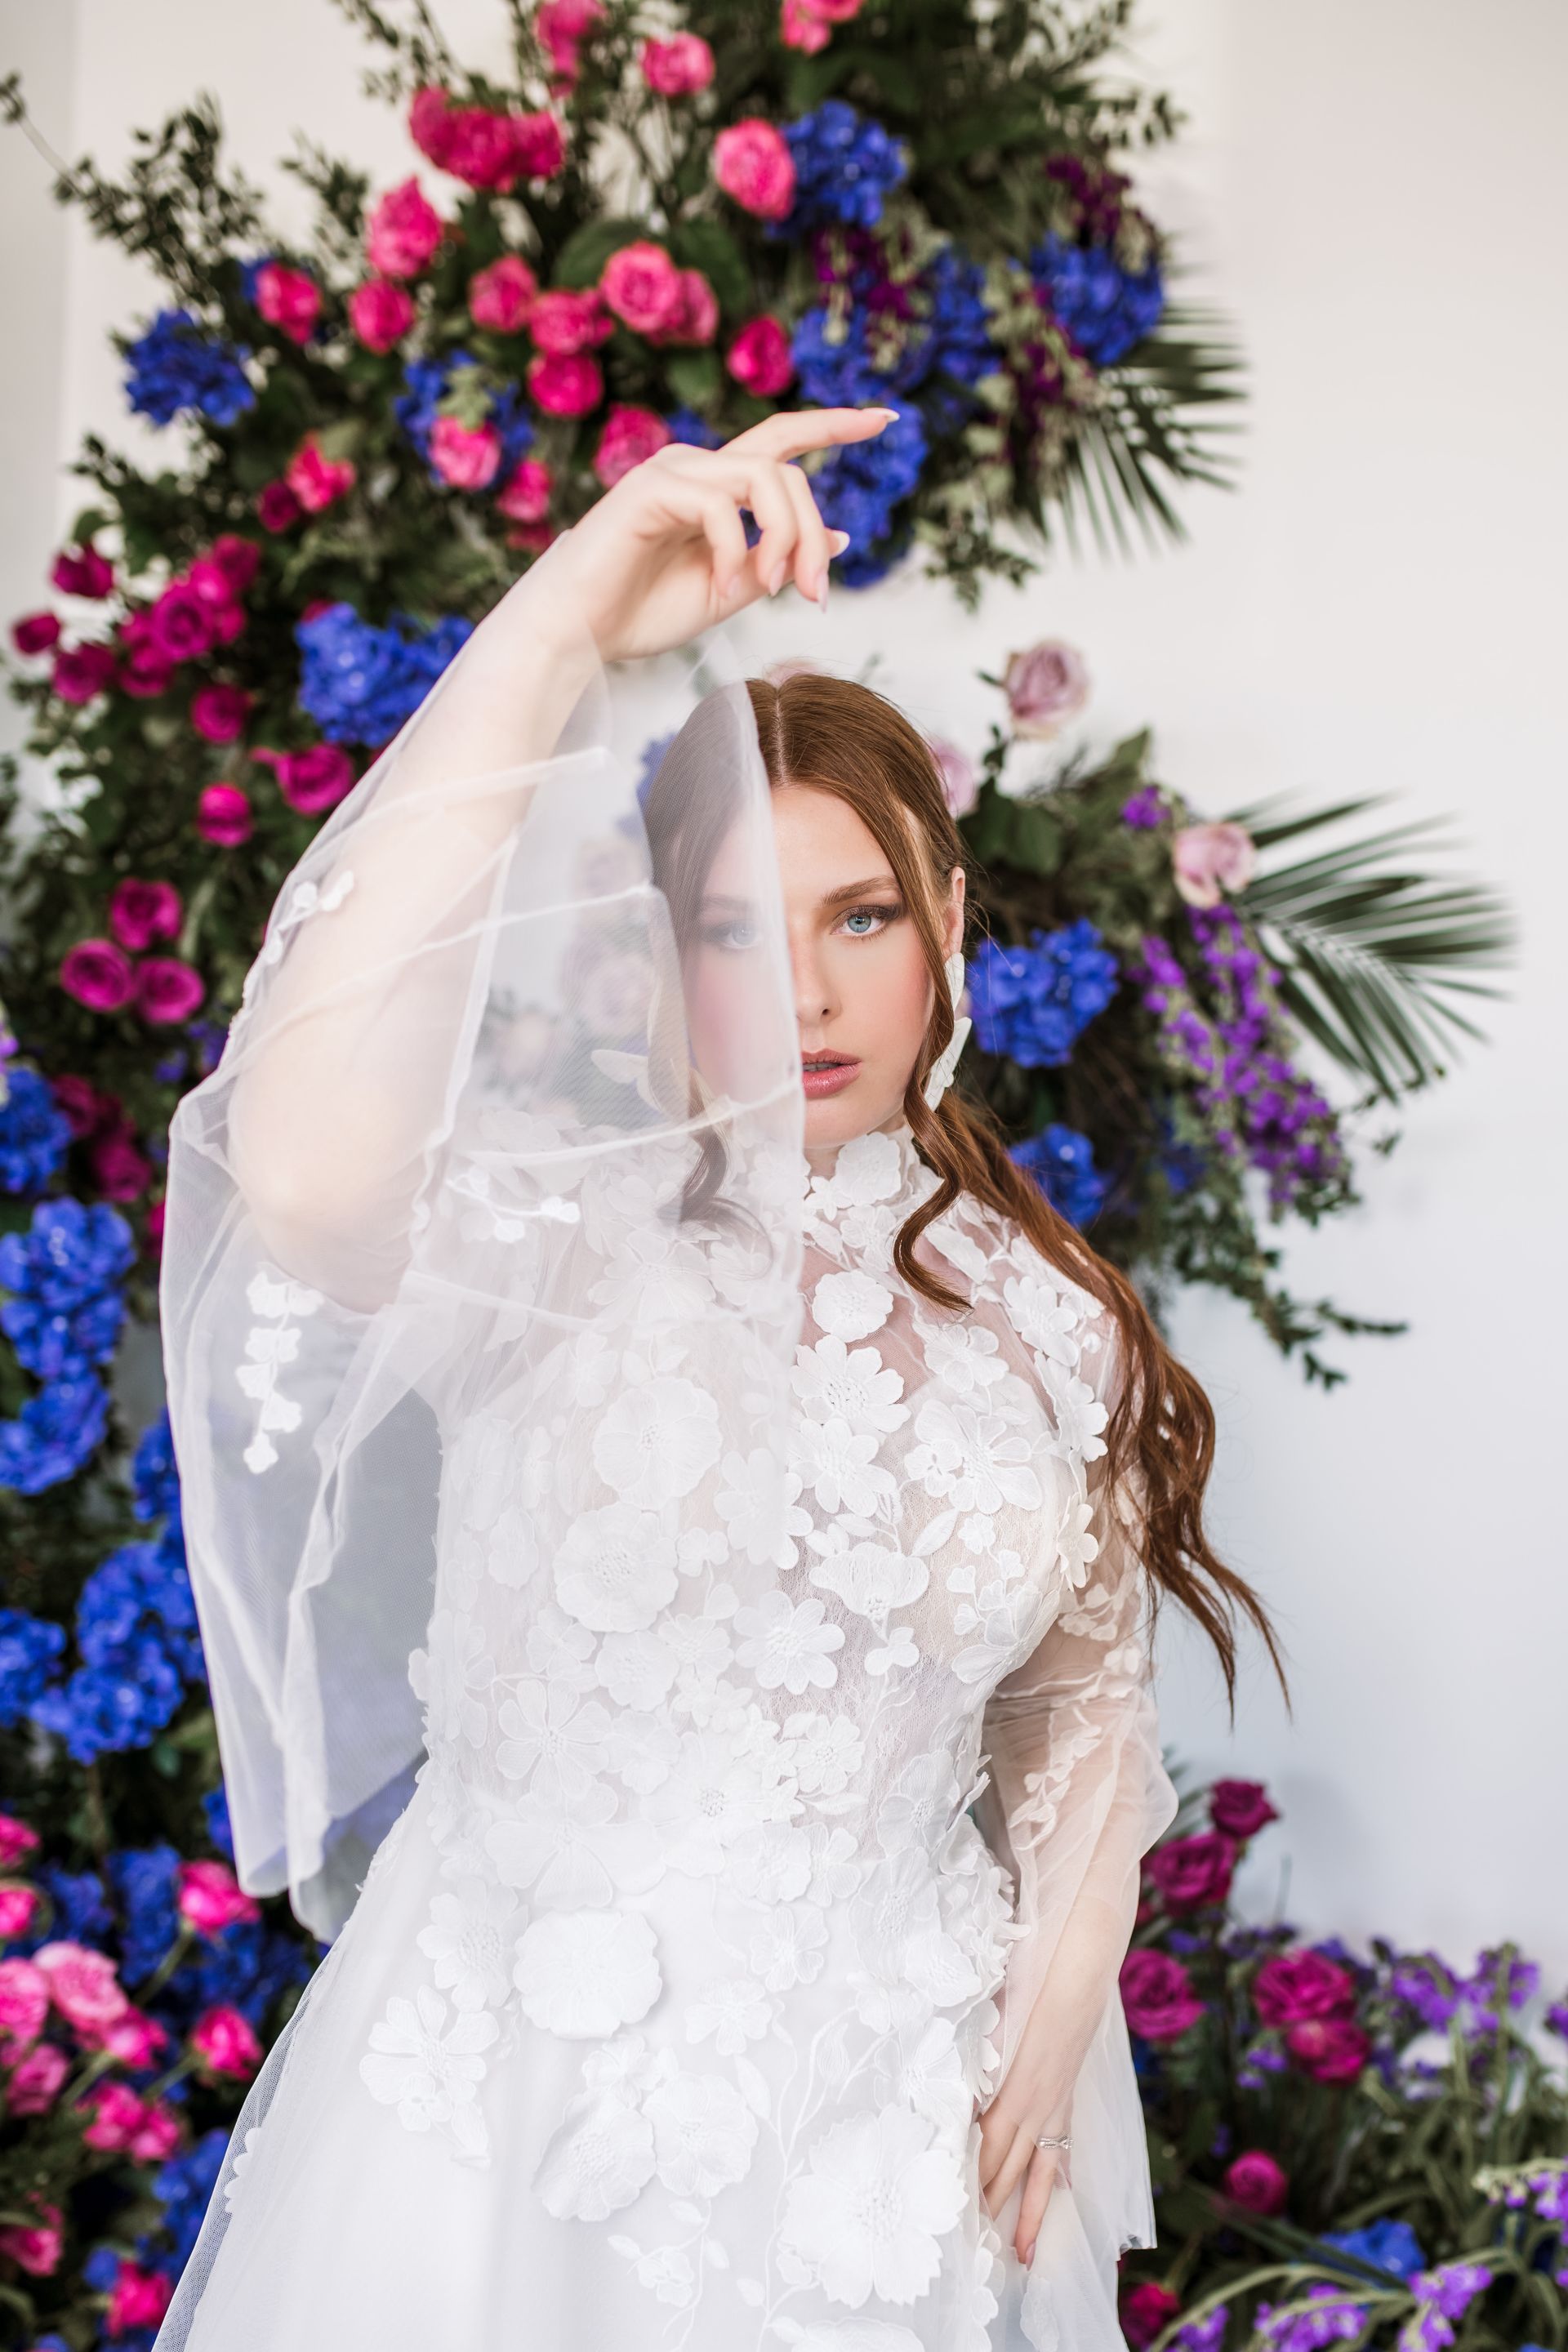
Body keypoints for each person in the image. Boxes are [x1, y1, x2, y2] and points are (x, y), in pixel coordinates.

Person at [153, 405, 1280, 2350]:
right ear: (658, 960)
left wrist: (1061, 1991)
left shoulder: (1050, 1316)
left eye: (863, 920)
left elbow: (1083, 1717)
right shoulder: (551, 1249)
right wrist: (570, 614)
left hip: (889, 2173)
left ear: (947, 933)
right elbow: (311, 1167)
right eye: (740, 932)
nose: (818, 994)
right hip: (519, 2135)